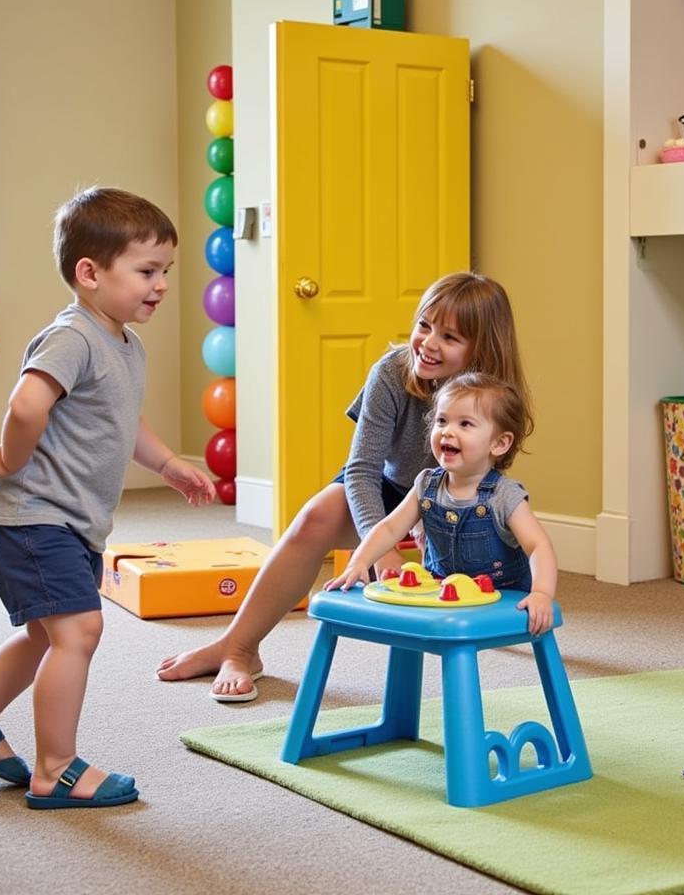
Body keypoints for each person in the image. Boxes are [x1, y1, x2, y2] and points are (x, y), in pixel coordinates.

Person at [0, 187, 216, 809]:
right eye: (147, 270)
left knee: (46, 633)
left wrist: (168, 462)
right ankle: (55, 768)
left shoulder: (124, 344)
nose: (161, 284)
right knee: (79, 630)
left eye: (165, 270)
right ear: (89, 273)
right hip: (31, 519)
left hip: (70, 524)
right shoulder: (73, 336)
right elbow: (26, 404)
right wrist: (8, 461)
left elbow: (122, 420)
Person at [157, 272, 530, 700]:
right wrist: (379, 538)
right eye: (424, 325)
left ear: (481, 350)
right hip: (387, 485)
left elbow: (494, 471)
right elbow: (361, 469)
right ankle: (238, 647)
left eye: (449, 337)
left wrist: (436, 519)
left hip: (462, 495)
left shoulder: (497, 397)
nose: (427, 343)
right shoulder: (392, 373)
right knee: (313, 518)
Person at [325, 372, 557, 634]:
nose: (448, 431)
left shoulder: (503, 495)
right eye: (442, 420)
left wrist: (541, 593)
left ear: (499, 443)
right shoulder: (426, 484)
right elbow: (390, 528)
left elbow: (538, 545)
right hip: (442, 590)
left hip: (501, 596)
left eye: (465, 424)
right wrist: (359, 561)